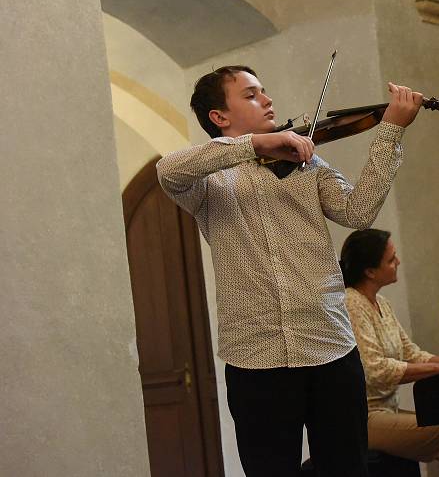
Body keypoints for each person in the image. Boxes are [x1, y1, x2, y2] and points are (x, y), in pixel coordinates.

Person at [156, 65, 423, 477]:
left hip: (330, 346)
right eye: (251, 95)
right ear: (219, 117)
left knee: (347, 469)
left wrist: (390, 132)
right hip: (255, 358)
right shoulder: (208, 181)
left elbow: (358, 211)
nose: (267, 101)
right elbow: (167, 169)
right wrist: (257, 144)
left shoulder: (308, 165)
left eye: (265, 91)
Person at [340, 229, 439, 477]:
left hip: (388, 411)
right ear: (370, 271)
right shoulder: (351, 302)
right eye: (391, 259)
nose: (398, 262)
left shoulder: (382, 303)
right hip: (365, 418)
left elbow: (413, 355)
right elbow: (375, 371)